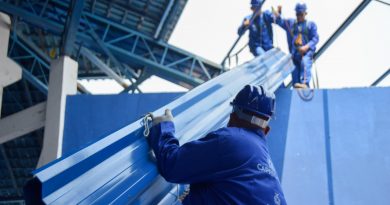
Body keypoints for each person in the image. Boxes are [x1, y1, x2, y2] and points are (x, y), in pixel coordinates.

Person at [147, 85, 287, 205]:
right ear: (266, 130)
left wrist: (163, 127)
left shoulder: (229, 139)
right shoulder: (262, 156)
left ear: (232, 116)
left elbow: (172, 165)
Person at [275, 3, 319, 88]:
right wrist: (279, 13)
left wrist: (306, 47)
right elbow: (279, 22)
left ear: (305, 13)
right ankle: (297, 87)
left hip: (306, 53)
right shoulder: (291, 23)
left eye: (301, 14)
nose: (299, 16)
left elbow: (315, 38)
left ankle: (305, 84)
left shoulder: (310, 25)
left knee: (305, 63)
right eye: (297, 14)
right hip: (294, 55)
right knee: (294, 71)